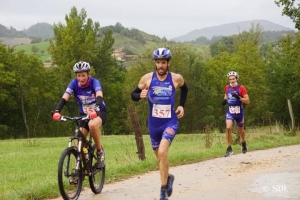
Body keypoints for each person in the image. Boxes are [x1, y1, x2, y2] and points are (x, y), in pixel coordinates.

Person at [131, 48, 188, 200]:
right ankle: (168, 178)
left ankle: (163, 190)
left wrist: (181, 105)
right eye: (158, 62)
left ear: (168, 63)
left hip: (170, 122)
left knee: (162, 152)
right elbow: (133, 95)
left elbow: (185, 89)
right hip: (153, 124)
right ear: (155, 63)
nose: (161, 65)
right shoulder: (147, 79)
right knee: (159, 157)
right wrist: (140, 95)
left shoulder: (176, 78)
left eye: (163, 62)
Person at [52, 61, 107, 171]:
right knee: (79, 143)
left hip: (99, 112)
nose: (81, 78)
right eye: (78, 76)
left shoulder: (94, 82)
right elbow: (65, 97)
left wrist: (96, 108)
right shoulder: (73, 84)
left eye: (83, 75)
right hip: (84, 114)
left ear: (88, 74)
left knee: (92, 125)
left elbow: (99, 95)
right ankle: (78, 171)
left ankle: (99, 152)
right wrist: (57, 111)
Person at [222, 71, 250, 157]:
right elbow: (226, 95)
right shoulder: (227, 87)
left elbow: (248, 101)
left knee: (240, 130)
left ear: (237, 78)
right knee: (228, 127)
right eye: (230, 79)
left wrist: (239, 98)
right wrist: (225, 100)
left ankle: (244, 142)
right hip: (230, 111)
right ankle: (229, 148)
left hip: (239, 112)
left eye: (233, 79)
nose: (232, 81)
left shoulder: (241, 88)